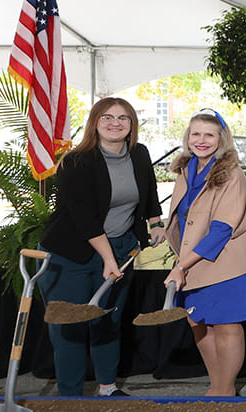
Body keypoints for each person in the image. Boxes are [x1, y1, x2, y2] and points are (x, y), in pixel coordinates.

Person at [38, 97, 164, 396]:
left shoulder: (139, 154)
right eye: (107, 117)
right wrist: (107, 259)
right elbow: (84, 220)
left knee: (108, 318)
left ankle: (107, 387)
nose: (115, 123)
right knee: (71, 324)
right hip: (72, 254)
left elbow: (149, 192)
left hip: (121, 248)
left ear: (132, 124)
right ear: (95, 121)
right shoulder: (76, 161)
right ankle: (70, 395)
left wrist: (155, 222)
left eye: (123, 118)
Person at [162, 109, 246, 396]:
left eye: (209, 135)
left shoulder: (231, 174)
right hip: (193, 260)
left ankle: (225, 389)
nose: (201, 140)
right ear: (187, 137)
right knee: (198, 323)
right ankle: (216, 385)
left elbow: (221, 230)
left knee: (226, 326)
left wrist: (181, 266)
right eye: (196, 134)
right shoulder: (186, 169)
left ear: (222, 139)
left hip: (226, 262)